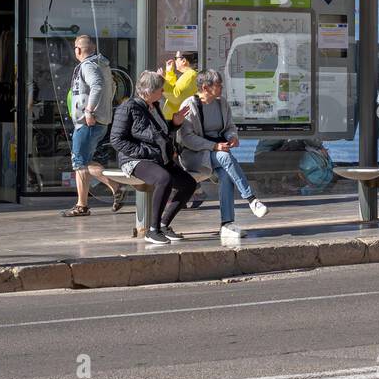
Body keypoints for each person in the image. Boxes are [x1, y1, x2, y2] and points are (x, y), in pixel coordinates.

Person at [178, 70, 268, 247]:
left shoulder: (222, 104)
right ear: (205, 87)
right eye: (218, 85)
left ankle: (227, 224)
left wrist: (232, 136)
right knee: (225, 158)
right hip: (194, 155)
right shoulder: (190, 105)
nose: (221, 88)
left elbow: (229, 126)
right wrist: (213, 146)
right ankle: (251, 199)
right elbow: (186, 138)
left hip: (217, 151)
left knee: (227, 175)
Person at [111, 70, 197, 245]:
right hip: (134, 159)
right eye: (160, 90)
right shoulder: (128, 108)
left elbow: (159, 133)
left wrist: (174, 124)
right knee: (163, 179)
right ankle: (153, 230)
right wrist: (143, 152)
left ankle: (164, 224)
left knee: (189, 184)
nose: (163, 93)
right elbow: (116, 140)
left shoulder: (155, 105)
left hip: (158, 157)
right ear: (148, 91)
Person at [62, 35, 125, 218]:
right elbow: (112, 87)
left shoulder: (88, 65)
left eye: (75, 48)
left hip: (88, 122)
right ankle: (115, 186)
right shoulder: (101, 65)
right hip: (97, 121)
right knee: (84, 161)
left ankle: (82, 205)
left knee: (79, 163)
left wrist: (89, 110)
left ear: (78, 50)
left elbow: (97, 85)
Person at [160, 51, 198, 123]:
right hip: (174, 120)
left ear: (183, 61)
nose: (175, 61)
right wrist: (169, 73)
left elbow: (176, 96)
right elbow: (174, 89)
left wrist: (162, 81)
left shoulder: (191, 75)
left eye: (176, 58)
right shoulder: (188, 75)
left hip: (179, 122)